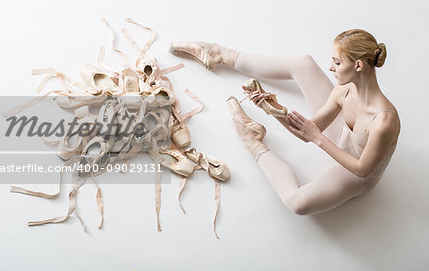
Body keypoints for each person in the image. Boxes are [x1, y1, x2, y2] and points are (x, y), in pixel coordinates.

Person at [169, 29, 401, 215]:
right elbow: (308, 130)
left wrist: (318, 138)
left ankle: (253, 141)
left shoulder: (383, 121)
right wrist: (275, 110)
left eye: (337, 63)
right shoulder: (345, 89)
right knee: (303, 62)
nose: (330, 67)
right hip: (339, 137)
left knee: (297, 203)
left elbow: (362, 170)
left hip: (354, 172)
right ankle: (221, 54)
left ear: (358, 66)